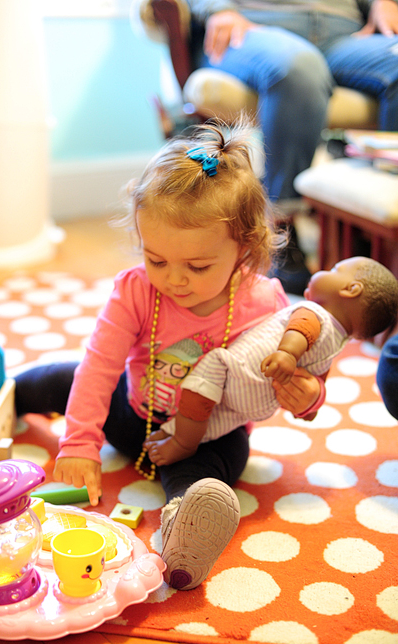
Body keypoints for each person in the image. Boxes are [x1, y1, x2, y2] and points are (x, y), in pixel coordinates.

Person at [27, 120, 324, 592]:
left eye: (198, 266)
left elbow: (291, 379)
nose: (174, 279)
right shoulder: (136, 291)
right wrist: (80, 444)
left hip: (209, 436)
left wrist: (305, 397)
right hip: (134, 417)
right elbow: (100, 366)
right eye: (156, 259)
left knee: (202, 479)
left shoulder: (265, 303)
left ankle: (187, 539)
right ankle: (4, 391)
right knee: (64, 378)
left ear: (244, 249)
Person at [187, 0, 398, 292]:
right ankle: (279, 228)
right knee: (299, 69)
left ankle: (376, 230)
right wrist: (219, 8)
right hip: (258, 28)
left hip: (346, 34)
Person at [145, 257, 398, 465]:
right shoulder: (335, 346)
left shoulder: (315, 313)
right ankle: (176, 433)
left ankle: (182, 441)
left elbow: (301, 329)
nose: (325, 270)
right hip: (262, 403)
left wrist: (288, 353)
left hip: (244, 370)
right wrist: (310, 405)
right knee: (224, 415)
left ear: (351, 289)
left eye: (334, 270)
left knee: (210, 370)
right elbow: (317, 380)